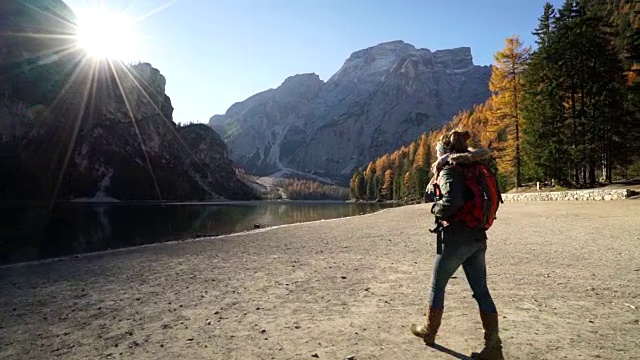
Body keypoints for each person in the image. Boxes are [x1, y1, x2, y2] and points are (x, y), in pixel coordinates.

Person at [410, 129, 504, 360]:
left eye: (437, 152)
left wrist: (436, 208)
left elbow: (452, 202)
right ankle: (494, 347)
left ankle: (429, 332)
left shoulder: (450, 169)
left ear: (444, 152)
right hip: (477, 237)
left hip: (457, 237)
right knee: (481, 290)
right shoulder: (477, 168)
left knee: (437, 285)